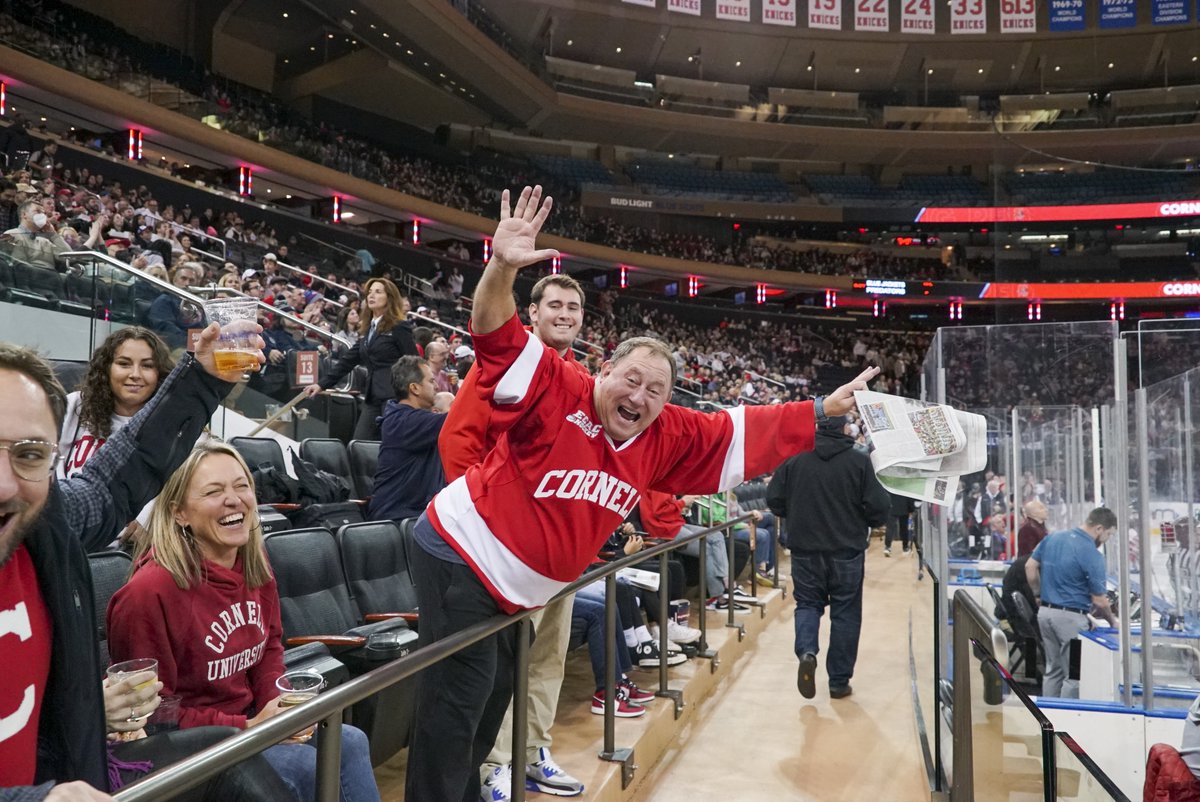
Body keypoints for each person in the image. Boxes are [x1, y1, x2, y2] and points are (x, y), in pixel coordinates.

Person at [404, 185, 877, 802]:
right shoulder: (556, 383)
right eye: (632, 380)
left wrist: (818, 411)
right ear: (603, 373)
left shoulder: (668, 432)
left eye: (657, 391)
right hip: (459, 556)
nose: (641, 398)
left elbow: (745, 430)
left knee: (491, 702)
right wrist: (500, 268)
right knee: (459, 704)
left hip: (519, 588)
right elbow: (494, 331)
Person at [0, 321, 263, 800]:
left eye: (30, 454)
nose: (5, 482)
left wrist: (201, 379)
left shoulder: (45, 521)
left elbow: (109, 482)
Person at [106, 442, 380, 802]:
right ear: (179, 513)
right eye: (214, 491)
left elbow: (269, 646)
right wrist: (248, 726)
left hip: (249, 724)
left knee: (351, 741)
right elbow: (155, 716)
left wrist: (278, 709)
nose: (234, 499)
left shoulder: (254, 563)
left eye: (242, 486)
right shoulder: (149, 592)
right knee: (303, 768)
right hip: (191, 746)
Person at [440, 273, 590, 802]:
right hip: (504, 550)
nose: (565, 313)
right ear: (533, 312)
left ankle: (533, 751)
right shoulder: (502, 364)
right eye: (555, 305)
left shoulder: (580, 379)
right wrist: (483, 526)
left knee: (547, 656)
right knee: (508, 661)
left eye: (573, 306)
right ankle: (496, 763)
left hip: (557, 549)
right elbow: (457, 441)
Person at [767, 415, 890, 701]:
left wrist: (796, 513)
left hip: (805, 550)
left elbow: (773, 499)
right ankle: (838, 682)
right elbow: (879, 507)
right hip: (847, 551)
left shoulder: (794, 458)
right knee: (846, 614)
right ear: (846, 429)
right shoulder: (860, 461)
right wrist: (862, 518)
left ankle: (807, 652)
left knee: (808, 604)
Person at [57, 327, 175, 546]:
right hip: (69, 535)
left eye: (147, 366)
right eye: (124, 363)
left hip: (134, 548)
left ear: (160, 374)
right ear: (106, 369)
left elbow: (183, 486)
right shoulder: (75, 405)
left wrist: (150, 517)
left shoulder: (173, 424)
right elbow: (46, 462)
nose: (135, 374)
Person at [303, 277, 416, 440]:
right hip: (372, 397)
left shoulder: (399, 327)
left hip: (394, 398)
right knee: (359, 442)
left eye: (378, 292)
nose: (371, 296)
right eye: (369, 292)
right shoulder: (369, 329)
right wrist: (322, 384)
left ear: (389, 298)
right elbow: (348, 360)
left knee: (391, 446)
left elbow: (413, 362)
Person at [1025, 507, 1119, 698]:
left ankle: (1047, 718)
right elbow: (1099, 600)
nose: (1107, 539)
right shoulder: (1092, 554)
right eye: (1109, 534)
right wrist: (1112, 621)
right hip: (1071, 621)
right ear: (1099, 528)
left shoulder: (1053, 538)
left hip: (1045, 614)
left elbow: (1030, 566)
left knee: (1053, 669)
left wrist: (1037, 594)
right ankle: (1066, 723)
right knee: (1074, 674)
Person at [368, 357, 447, 523]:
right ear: (415, 388)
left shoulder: (404, 418)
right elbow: (460, 419)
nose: (437, 386)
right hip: (396, 519)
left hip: (415, 516)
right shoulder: (405, 421)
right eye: (431, 381)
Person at [147, 263, 204, 352]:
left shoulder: (199, 305)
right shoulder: (164, 300)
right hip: (174, 347)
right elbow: (166, 330)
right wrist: (191, 342)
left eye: (191, 280)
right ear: (175, 280)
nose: (187, 283)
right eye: (183, 278)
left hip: (197, 347)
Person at [3, 199, 69, 270]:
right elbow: (19, 268)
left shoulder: (45, 241)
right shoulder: (12, 234)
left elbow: (69, 257)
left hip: (51, 277)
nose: (42, 215)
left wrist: (53, 235)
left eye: (44, 213)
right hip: (32, 277)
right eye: (38, 211)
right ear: (24, 215)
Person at [884, 491, 915, 557]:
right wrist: (911, 509)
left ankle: (887, 547)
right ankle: (905, 547)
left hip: (891, 507)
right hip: (904, 507)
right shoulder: (905, 486)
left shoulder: (890, 483)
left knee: (890, 528)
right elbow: (909, 497)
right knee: (904, 529)